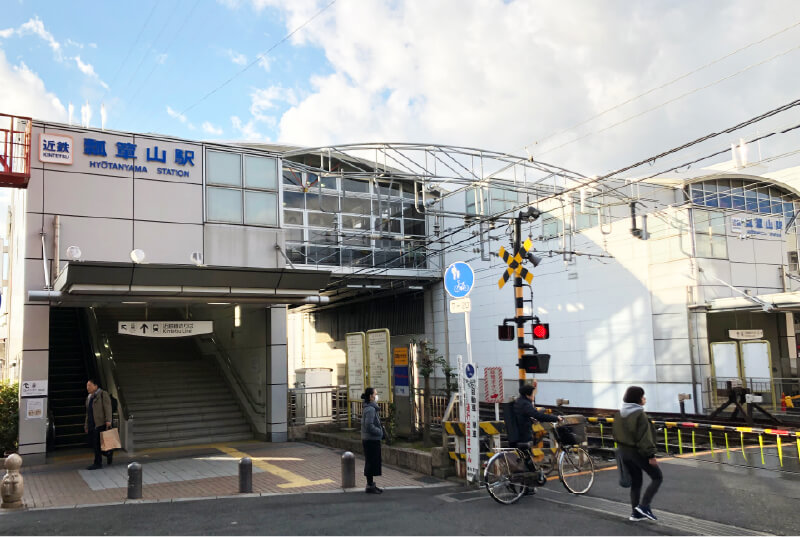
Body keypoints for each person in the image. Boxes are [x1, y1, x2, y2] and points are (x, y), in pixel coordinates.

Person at [612, 386, 663, 522]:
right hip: (638, 453)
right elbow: (644, 438)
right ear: (637, 399)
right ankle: (644, 506)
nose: (644, 399)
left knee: (636, 481)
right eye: (642, 396)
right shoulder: (640, 415)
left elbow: (615, 434)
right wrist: (651, 456)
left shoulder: (619, 414)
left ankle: (635, 513)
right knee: (657, 477)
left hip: (624, 452)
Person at [84, 378, 113, 470]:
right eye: (87, 385)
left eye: (89, 385)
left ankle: (97, 463)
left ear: (95, 386)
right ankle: (108, 453)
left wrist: (108, 420)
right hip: (92, 424)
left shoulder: (103, 394)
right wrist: (86, 425)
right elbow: (88, 412)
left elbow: (108, 407)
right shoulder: (89, 397)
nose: (87, 387)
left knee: (97, 444)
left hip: (100, 423)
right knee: (96, 444)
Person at [360, 387, 383, 494]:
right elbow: (369, 425)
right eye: (375, 394)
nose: (376, 396)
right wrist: (379, 431)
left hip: (369, 439)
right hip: (371, 439)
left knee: (372, 462)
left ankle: (371, 484)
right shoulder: (370, 409)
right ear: (371, 396)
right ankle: (370, 485)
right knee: (371, 462)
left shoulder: (369, 408)